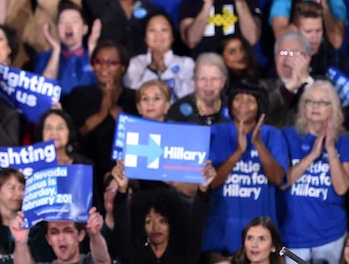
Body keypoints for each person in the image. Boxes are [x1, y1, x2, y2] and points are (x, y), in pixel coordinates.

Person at [204, 82, 288, 257]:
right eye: (238, 99)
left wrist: (258, 144)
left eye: (250, 101)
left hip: (261, 238)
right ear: (230, 104)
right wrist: (238, 152)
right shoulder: (214, 132)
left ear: (260, 107)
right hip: (220, 235)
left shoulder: (273, 135)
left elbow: (278, 179)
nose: (243, 105)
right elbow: (210, 183)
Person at [281, 80, 349, 263]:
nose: (315, 106)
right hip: (293, 235)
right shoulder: (287, 136)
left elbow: (342, 188)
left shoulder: (344, 141)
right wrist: (312, 155)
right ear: (303, 106)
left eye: (322, 102)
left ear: (333, 107)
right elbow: (283, 181)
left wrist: (331, 149)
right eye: (310, 101)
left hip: (330, 234)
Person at [110, 159, 216, 264]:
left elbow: (197, 224)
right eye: (148, 221)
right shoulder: (134, 256)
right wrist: (122, 190)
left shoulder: (185, 254)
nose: (156, 227)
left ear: (172, 224)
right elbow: (122, 227)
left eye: (162, 221)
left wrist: (202, 190)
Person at [63, 40, 137, 179]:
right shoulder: (79, 94)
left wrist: (113, 109)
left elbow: (138, 135)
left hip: (125, 170)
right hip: (86, 169)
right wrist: (101, 114)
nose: (104, 67)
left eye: (112, 63)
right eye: (98, 61)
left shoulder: (134, 97)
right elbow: (74, 136)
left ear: (123, 67)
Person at [125, 12, 194, 101]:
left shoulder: (186, 63)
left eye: (164, 30)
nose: (158, 35)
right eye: (152, 30)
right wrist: (152, 68)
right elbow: (133, 95)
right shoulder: (136, 63)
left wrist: (165, 71)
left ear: (172, 36)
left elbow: (189, 96)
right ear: (145, 37)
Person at [37, 0, 100, 98]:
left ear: (84, 29)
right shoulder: (45, 57)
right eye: (62, 22)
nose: (68, 26)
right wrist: (56, 50)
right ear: (57, 29)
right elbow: (43, 92)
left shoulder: (95, 56)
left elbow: (102, 87)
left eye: (74, 21)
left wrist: (92, 47)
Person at [166, 53, 229, 126]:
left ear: (223, 82)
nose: (208, 84)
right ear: (194, 80)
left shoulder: (232, 108)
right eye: (202, 79)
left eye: (214, 79)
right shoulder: (178, 110)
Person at [292, 1, 348, 77]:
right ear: (296, 31)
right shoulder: (285, 60)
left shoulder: (336, 59)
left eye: (318, 31)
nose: (314, 36)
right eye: (308, 31)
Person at [37, 209, 110, 264]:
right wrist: (24, 243)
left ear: (81, 235)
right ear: (48, 239)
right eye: (54, 232)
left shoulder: (88, 261)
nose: (61, 238)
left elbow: (102, 260)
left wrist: (95, 235)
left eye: (68, 231)